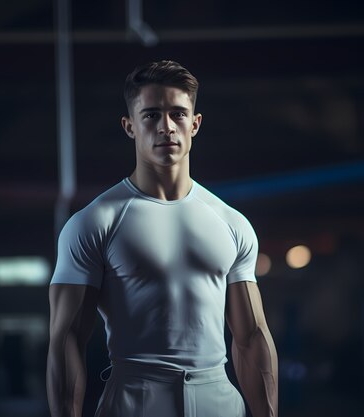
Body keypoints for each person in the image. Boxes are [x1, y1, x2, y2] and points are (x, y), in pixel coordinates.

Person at [47, 60, 278, 417]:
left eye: (178, 114)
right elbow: (66, 340)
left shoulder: (231, 223)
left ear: (195, 123)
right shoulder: (94, 223)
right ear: (130, 126)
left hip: (217, 400)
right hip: (135, 399)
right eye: (151, 115)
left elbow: (251, 338)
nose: (166, 127)